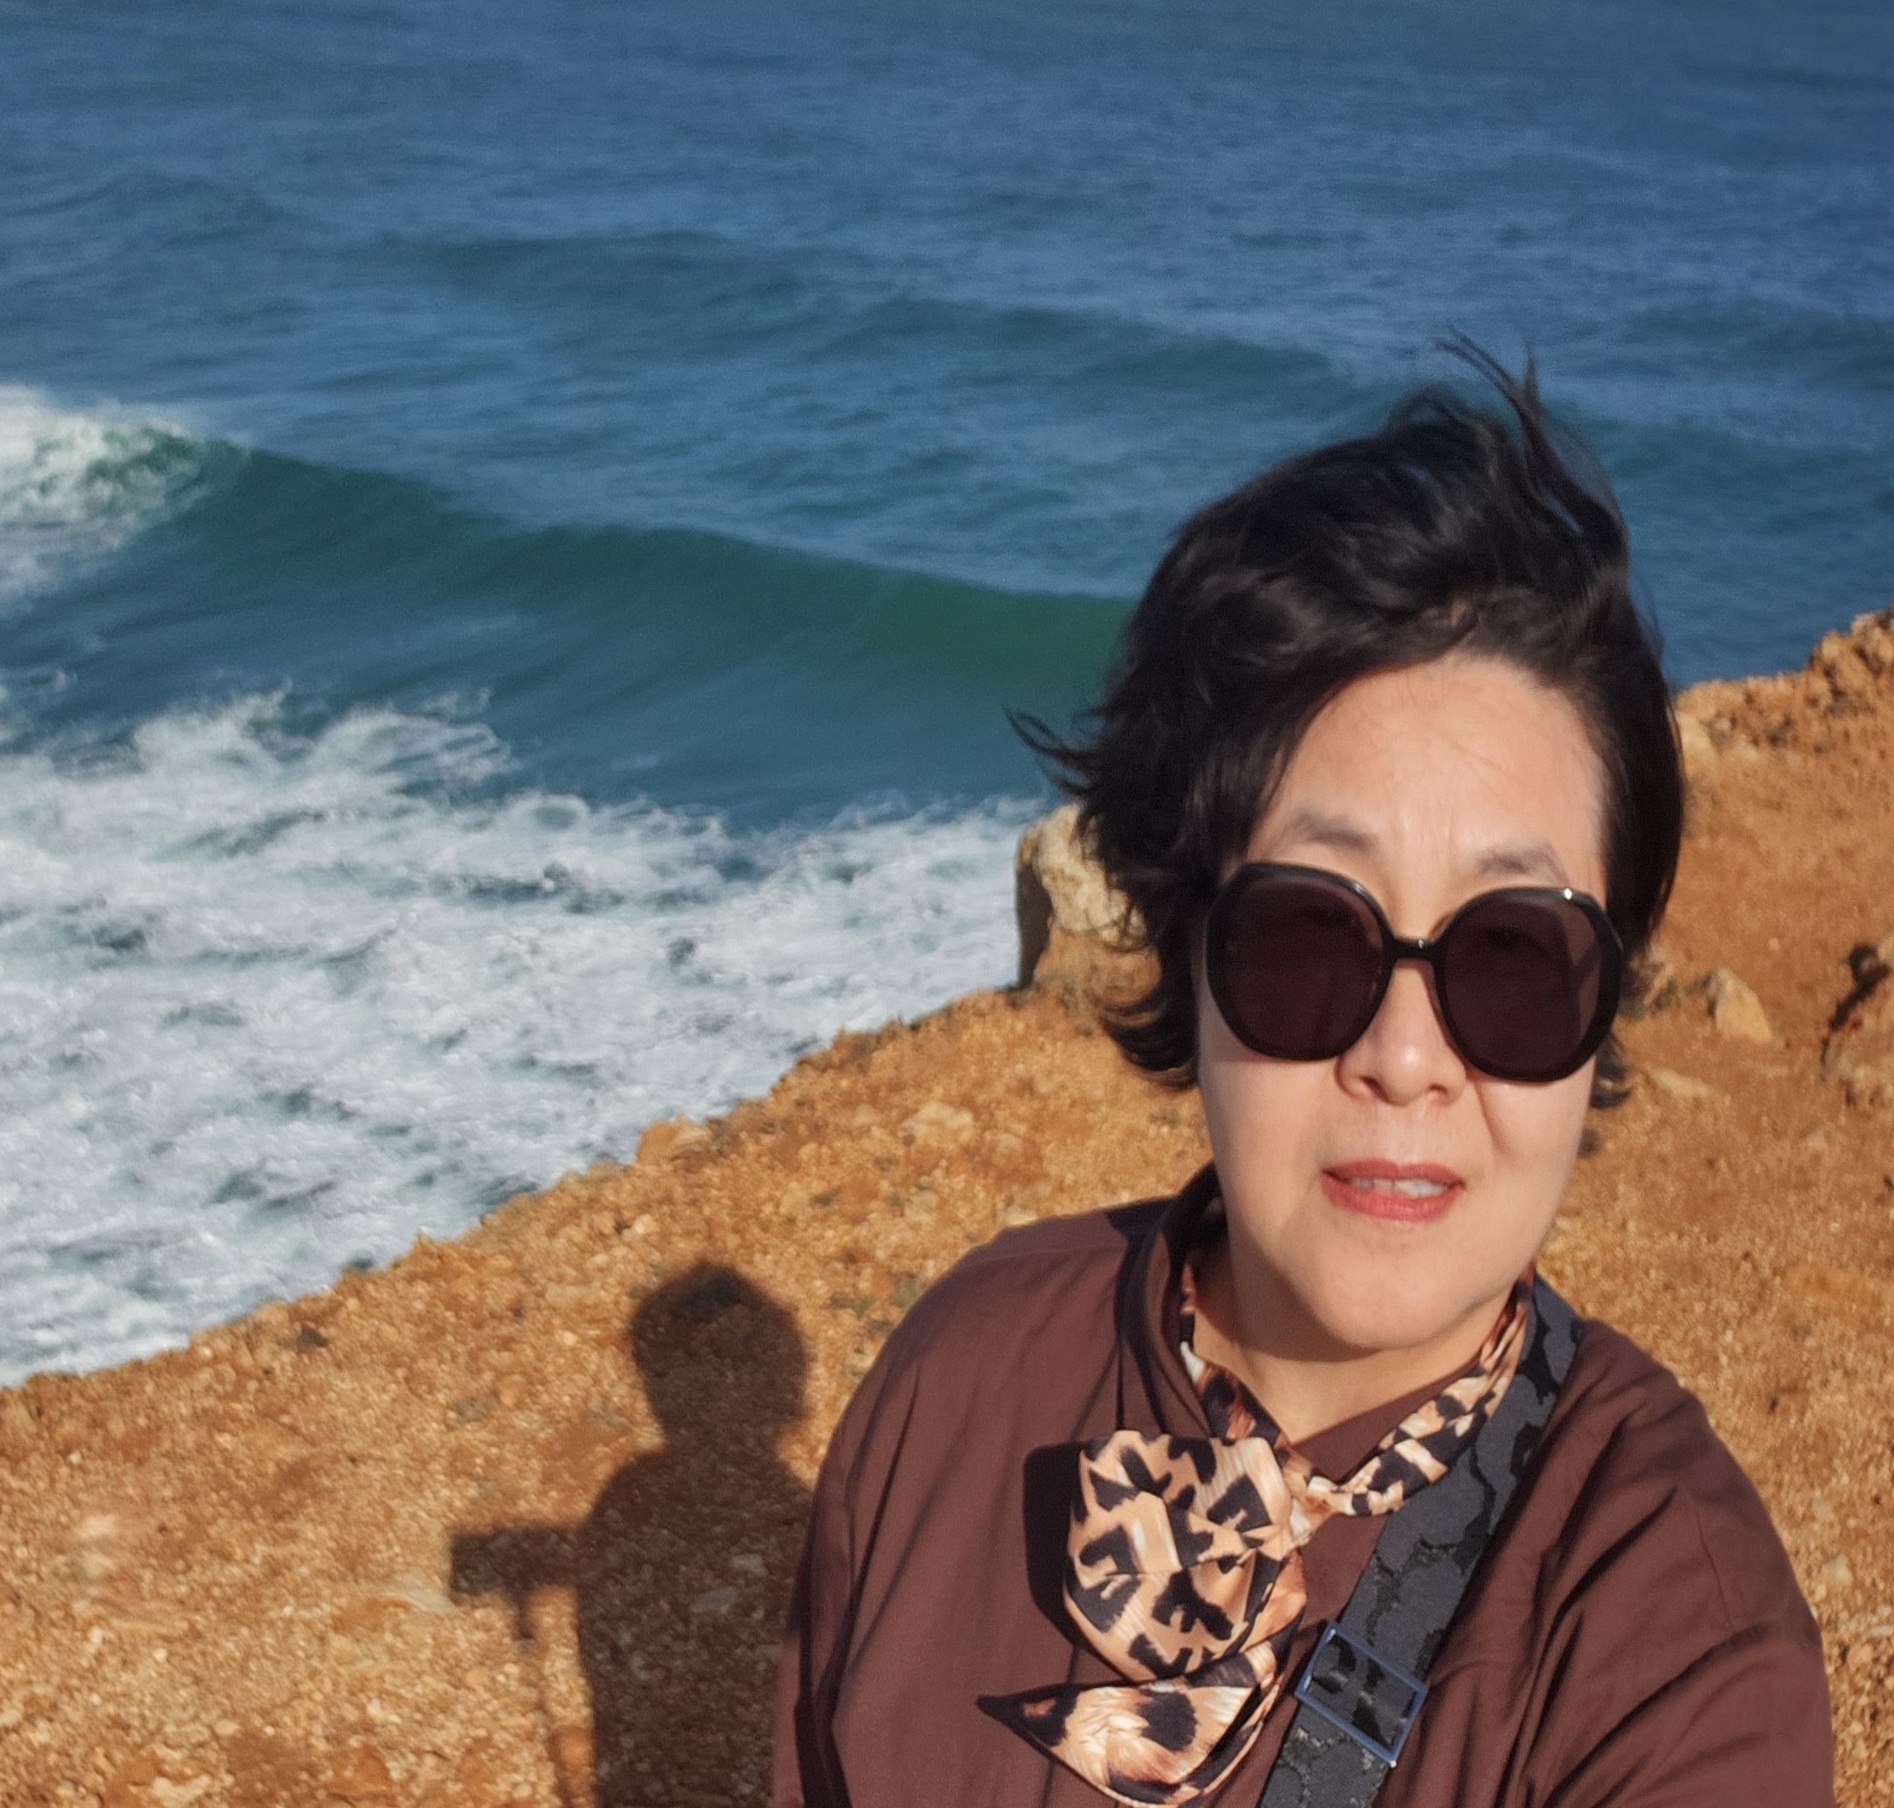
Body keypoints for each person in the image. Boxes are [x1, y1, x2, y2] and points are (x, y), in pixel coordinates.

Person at [772, 355, 1833, 1808]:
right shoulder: (956, 1388)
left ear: (1601, 1011)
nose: (1405, 1057)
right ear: (1190, 944)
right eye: (1309, 936)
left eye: (1513, 958)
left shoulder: (1670, 1654)